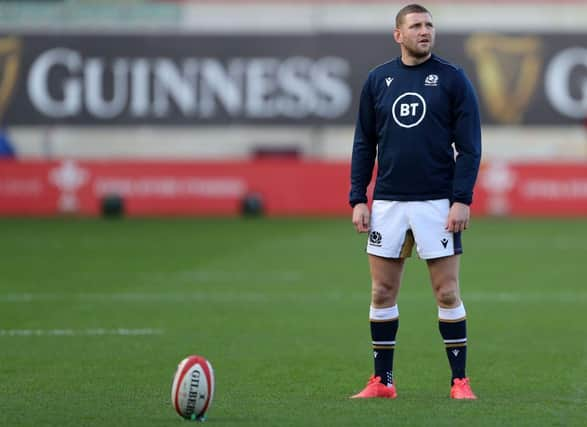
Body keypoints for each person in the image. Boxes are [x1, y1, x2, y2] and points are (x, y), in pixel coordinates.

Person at [349, 3, 481, 400]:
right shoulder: (378, 80)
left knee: (446, 292)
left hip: (437, 203)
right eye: (416, 26)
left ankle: (459, 381)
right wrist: (359, 197)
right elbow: (363, 144)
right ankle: (382, 382)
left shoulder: (453, 79)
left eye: (429, 25)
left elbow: (470, 148)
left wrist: (461, 200)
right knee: (381, 293)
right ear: (398, 35)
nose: (425, 31)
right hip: (388, 203)